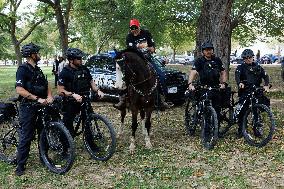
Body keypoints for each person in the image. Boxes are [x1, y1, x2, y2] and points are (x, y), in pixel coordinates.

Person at [113, 18, 172, 110]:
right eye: (132, 28)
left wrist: (147, 48)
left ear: (139, 26)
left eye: (135, 27)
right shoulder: (129, 37)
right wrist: (140, 46)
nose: (134, 30)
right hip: (134, 60)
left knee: (161, 75)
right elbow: (131, 50)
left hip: (147, 58)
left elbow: (152, 49)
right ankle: (122, 99)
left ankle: (162, 99)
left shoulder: (146, 33)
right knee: (125, 76)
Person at [15, 43, 53, 176]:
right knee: (27, 136)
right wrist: (37, 98)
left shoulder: (38, 69)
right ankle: (20, 166)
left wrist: (49, 96)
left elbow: (46, 84)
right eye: (37, 52)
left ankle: (44, 158)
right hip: (28, 106)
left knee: (43, 132)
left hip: (41, 105)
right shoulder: (22, 69)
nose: (40, 55)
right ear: (32, 55)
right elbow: (19, 89)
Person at [57, 47, 104, 137]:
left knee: (88, 122)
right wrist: (73, 94)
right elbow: (60, 90)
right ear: (71, 60)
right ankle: (66, 147)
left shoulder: (84, 69)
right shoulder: (65, 72)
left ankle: (90, 143)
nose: (81, 60)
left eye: (81, 58)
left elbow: (91, 82)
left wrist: (98, 90)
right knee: (67, 123)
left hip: (85, 99)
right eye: (78, 58)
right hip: (70, 101)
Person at [187, 40, 227, 126]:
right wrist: (190, 84)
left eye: (210, 49)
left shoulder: (217, 60)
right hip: (203, 87)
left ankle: (216, 127)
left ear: (212, 50)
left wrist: (223, 83)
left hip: (216, 87)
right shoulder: (199, 61)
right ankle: (204, 126)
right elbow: (193, 72)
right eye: (206, 50)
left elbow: (223, 72)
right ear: (203, 51)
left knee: (218, 108)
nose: (208, 51)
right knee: (204, 106)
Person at [235, 49, 270, 138]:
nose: (248, 59)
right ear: (244, 59)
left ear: (253, 57)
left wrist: (266, 85)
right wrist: (240, 83)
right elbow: (237, 77)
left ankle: (257, 128)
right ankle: (241, 129)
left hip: (256, 90)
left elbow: (265, 76)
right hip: (245, 91)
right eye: (246, 58)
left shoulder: (258, 67)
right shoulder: (240, 67)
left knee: (256, 110)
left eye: (250, 57)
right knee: (242, 110)